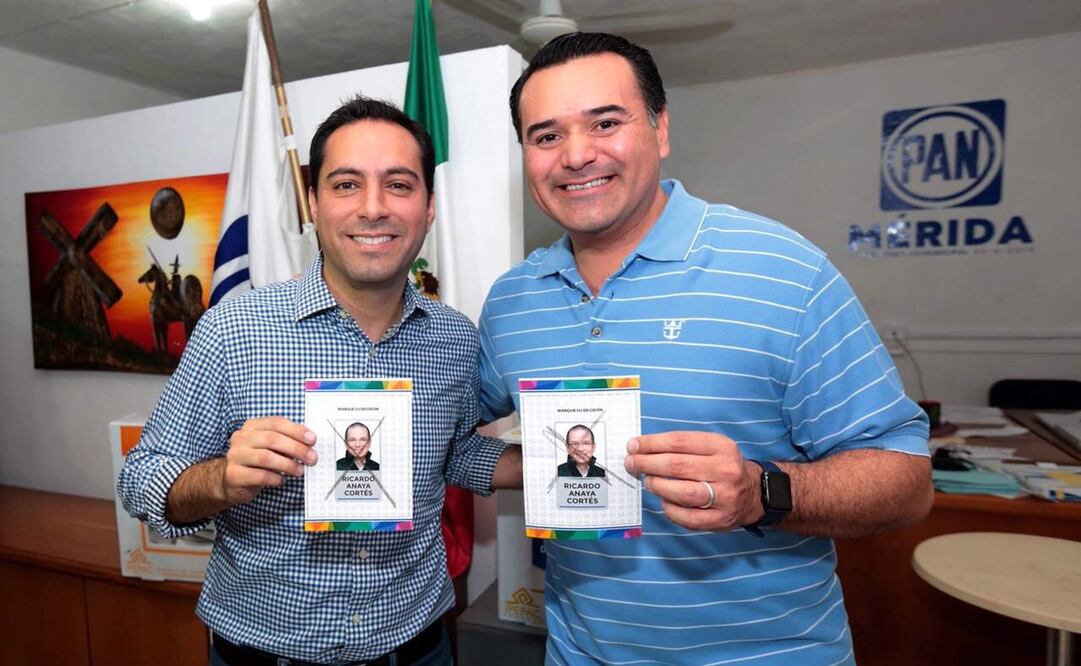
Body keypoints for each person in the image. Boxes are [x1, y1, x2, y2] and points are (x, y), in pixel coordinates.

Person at [479, 33, 932, 664]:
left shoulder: (783, 271)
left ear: (660, 129)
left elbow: (906, 480)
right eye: (546, 136)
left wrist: (760, 492)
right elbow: (450, 433)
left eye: (605, 122)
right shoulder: (513, 301)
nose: (576, 155)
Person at [118, 95, 520, 665]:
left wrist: (552, 462)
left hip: (417, 650)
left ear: (429, 207)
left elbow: (447, 454)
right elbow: (141, 480)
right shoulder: (235, 330)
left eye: (400, 185)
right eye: (346, 184)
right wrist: (222, 481)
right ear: (312, 202)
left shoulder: (454, 339)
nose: (373, 207)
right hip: (264, 655)